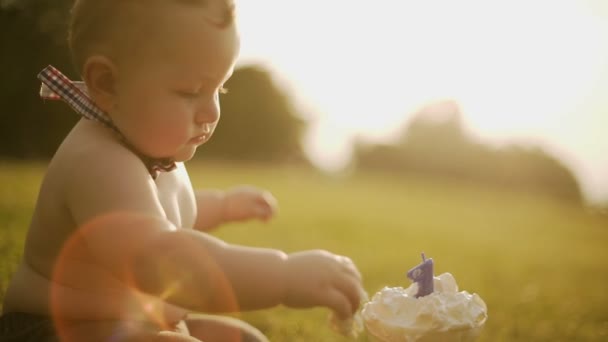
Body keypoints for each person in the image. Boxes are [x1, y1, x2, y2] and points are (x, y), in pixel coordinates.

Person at [0, 0, 365, 341]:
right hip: (54, 327)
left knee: (244, 338)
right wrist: (283, 276)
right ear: (107, 83)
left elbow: (159, 219)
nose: (211, 112)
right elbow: (160, 256)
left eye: (220, 89)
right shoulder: (98, 162)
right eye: (191, 91)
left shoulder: (147, 147)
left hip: (133, 321)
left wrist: (221, 206)